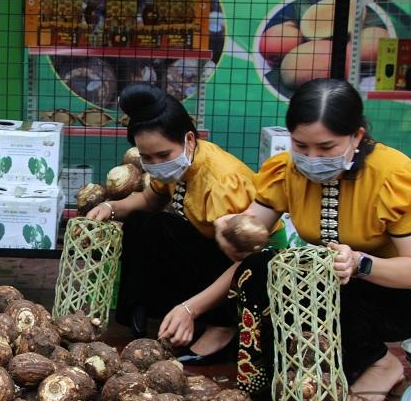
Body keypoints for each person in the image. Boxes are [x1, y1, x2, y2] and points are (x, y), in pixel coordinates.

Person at [214, 78, 411, 401]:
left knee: (328, 283)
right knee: (260, 269)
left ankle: (382, 363)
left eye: (326, 148)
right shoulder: (286, 171)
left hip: (404, 292)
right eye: (300, 145)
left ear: (357, 137)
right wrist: (231, 229)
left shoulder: (392, 176)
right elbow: (253, 225)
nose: (311, 158)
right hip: (336, 280)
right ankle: (270, 372)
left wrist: (360, 263)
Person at [87, 84, 286, 363]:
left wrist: (190, 309)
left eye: (163, 155)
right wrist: (111, 207)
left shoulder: (219, 181)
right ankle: (143, 311)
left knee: (173, 232)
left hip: (254, 260)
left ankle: (223, 326)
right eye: (147, 157)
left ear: (189, 139)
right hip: (212, 249)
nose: (156, 164)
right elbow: (150, 200)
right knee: (144, 222)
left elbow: (243, 262)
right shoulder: (180, 166)